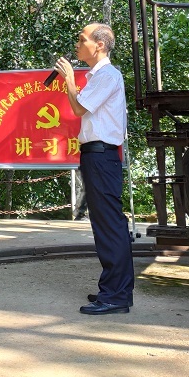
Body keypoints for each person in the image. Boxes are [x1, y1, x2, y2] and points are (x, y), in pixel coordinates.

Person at [56, 23, 132, 315]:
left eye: (82, 39)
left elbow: (78, 109)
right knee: (105, 226)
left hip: (102, 155)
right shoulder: (99, 76)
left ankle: (116, 295)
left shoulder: (107, 75)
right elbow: (81, 108)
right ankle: (113, 290)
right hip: (95, 156)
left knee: (110, 226)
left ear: (99, 45)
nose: (78, 44)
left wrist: (69, 80)